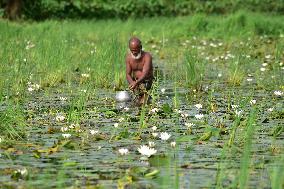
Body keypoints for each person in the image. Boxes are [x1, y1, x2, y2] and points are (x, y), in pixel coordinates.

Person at [126, 37, 154, 105]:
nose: (134, 53)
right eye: (132, 50)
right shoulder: (128, 58)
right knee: (136, 102)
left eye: (136, 50)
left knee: (143, 102)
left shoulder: (147, 56)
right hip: (135, 83)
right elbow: (128, 74)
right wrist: (132, 83)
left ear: (140, 47)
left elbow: (145, 73)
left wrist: (136, 83)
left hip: (147, 82)